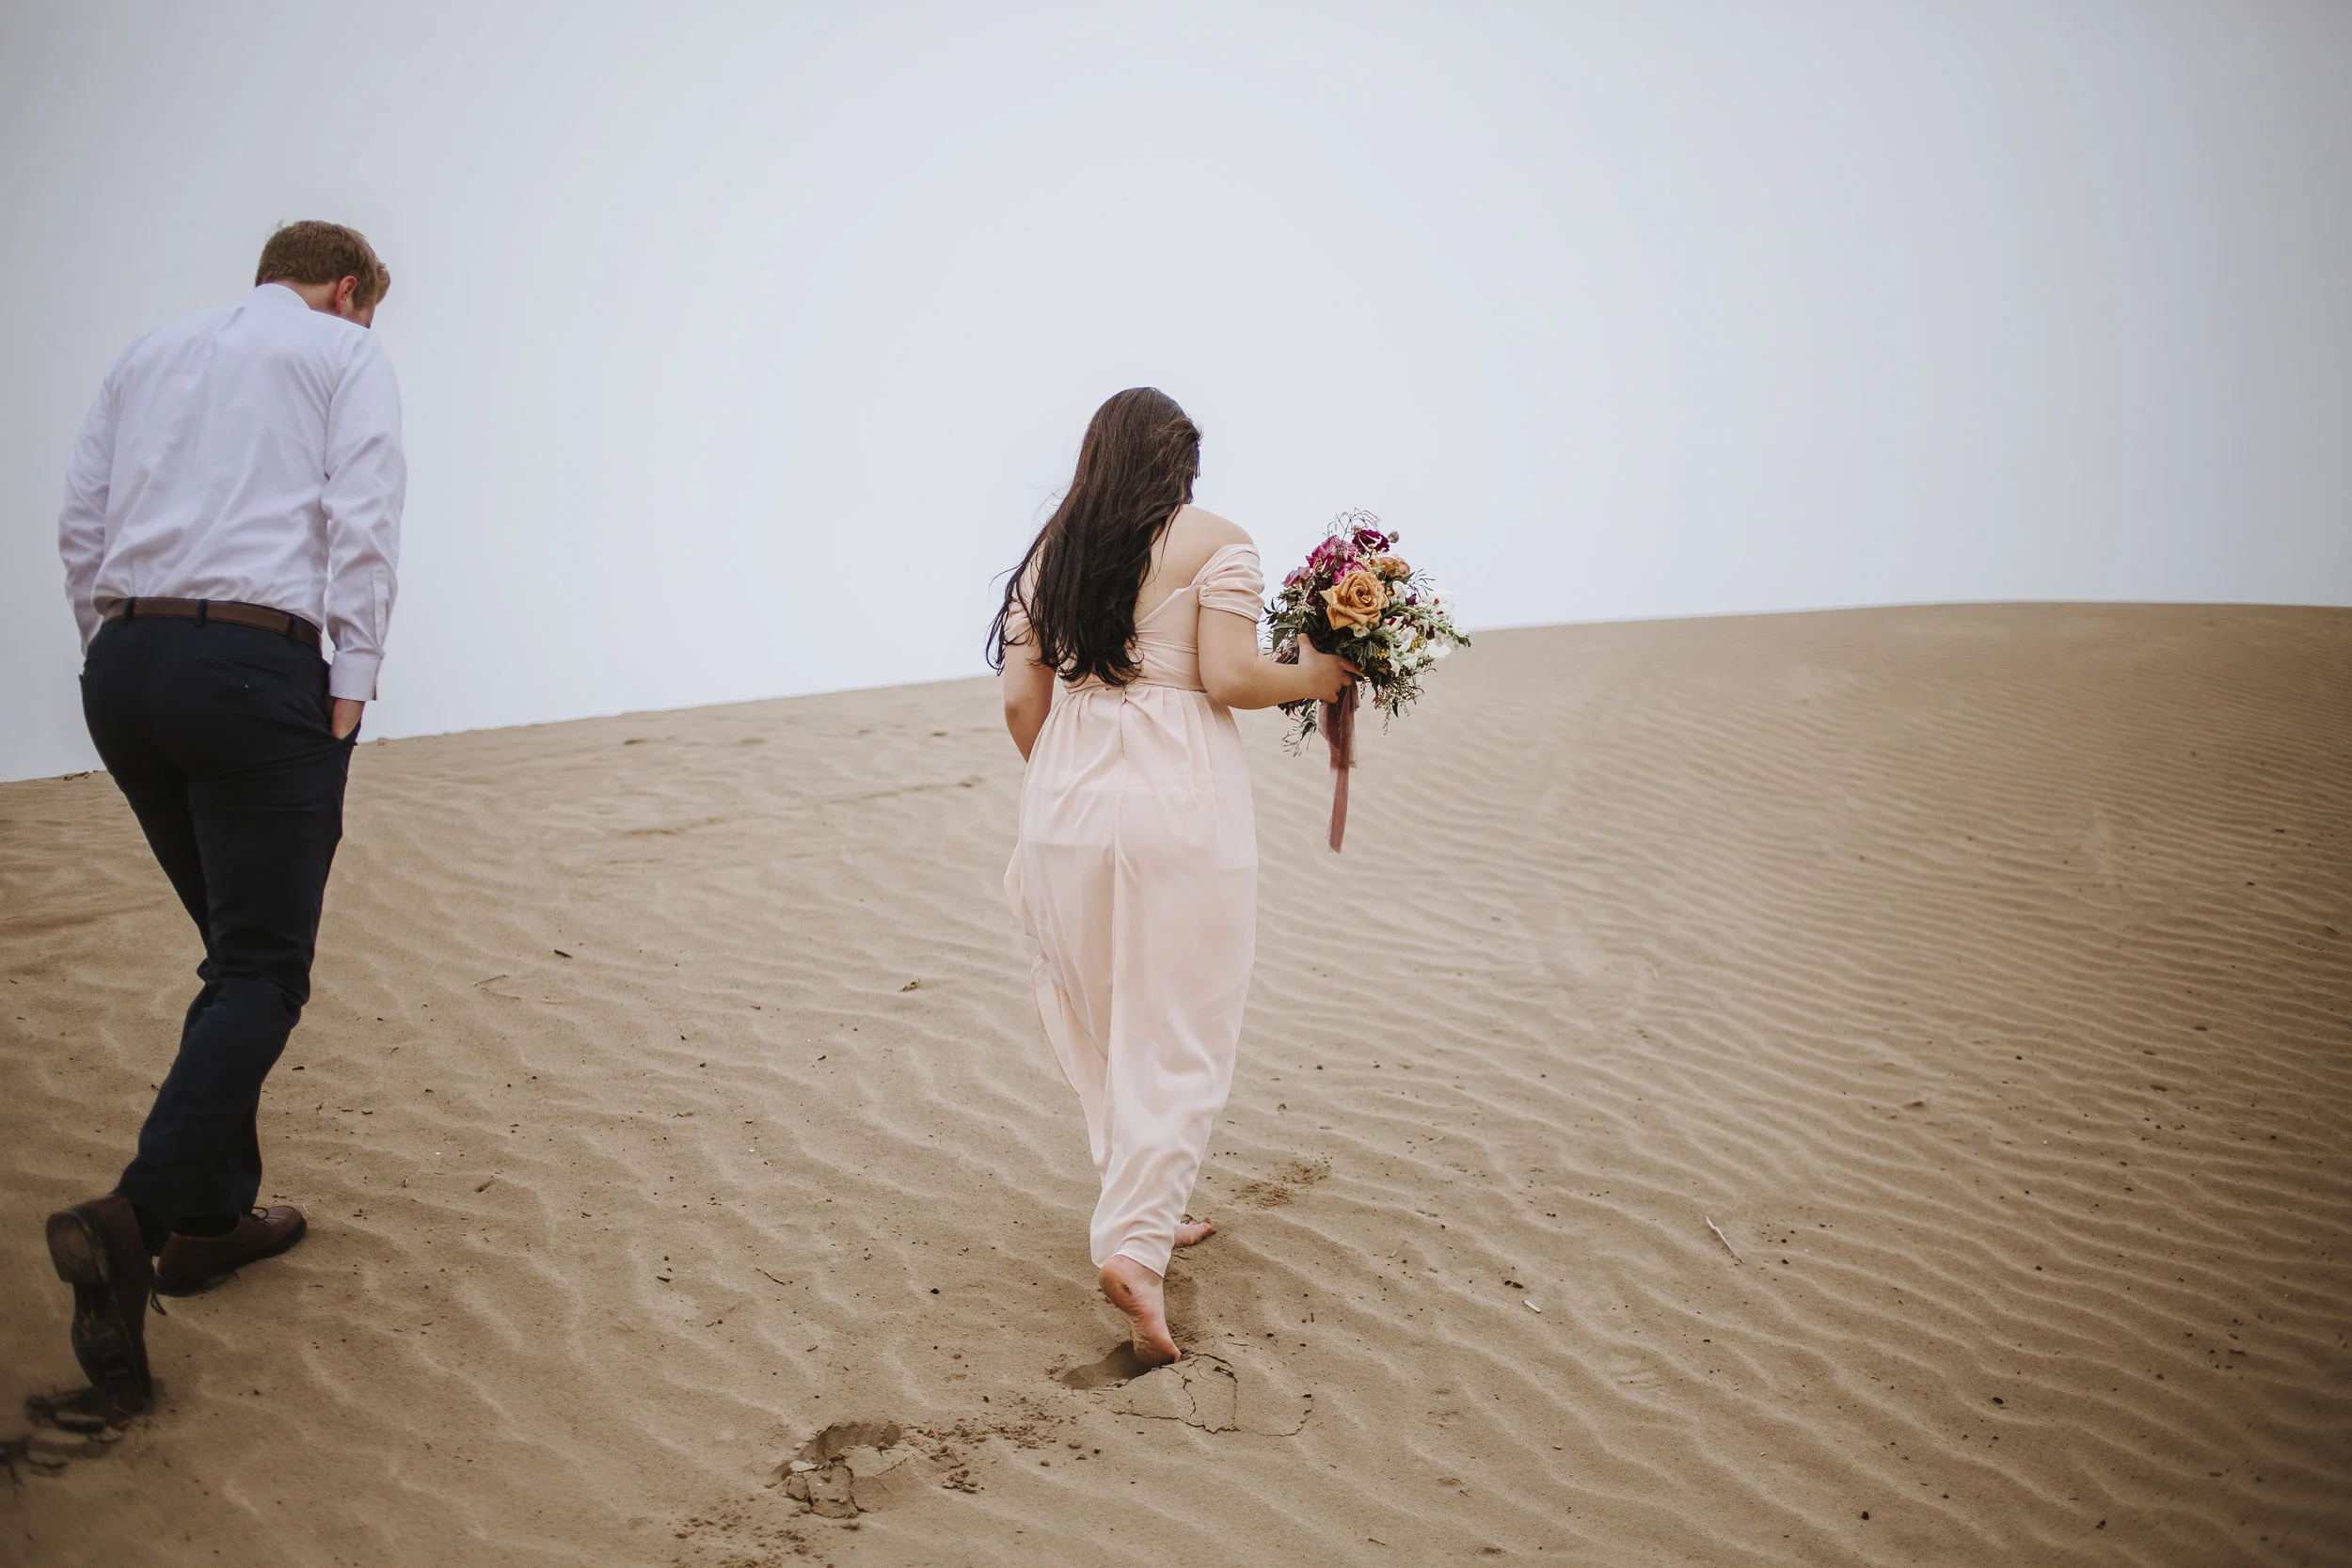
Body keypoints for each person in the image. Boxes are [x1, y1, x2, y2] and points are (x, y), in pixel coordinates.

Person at [46, 220, 405, 1413]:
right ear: (349, 290)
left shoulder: (147, 352)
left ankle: (211, 1217)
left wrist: (113, 651)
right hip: (259, 676)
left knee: (232, 947)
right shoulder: (342, 355)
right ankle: (136, 1214)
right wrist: (349, 689)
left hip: (129, 668)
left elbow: (82, 521)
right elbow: (364, 521)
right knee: (262, 965)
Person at [990, 388, 1353, 1364]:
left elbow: (1024, 700)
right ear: (1177, 462)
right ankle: (1136, 1247)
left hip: (1063, 799)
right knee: (1184, 1021)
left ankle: (1146, 1197)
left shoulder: (1049, 554)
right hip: (1176, 801)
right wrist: (1318, 676)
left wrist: (1071, 787)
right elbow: (1231, 678)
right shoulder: (1215, 538)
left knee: (1108, 1005)